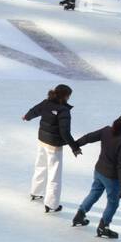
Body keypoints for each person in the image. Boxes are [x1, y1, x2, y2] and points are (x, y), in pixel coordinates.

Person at [71, 113, 121, 239]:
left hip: (99, 171)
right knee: (113, 202)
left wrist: (75, 145)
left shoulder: (106, 131)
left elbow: (89, 137)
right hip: (112, 178)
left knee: (94, 193)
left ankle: (80, 215)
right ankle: (103, 227)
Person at [22, 84, 81, 213]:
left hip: (42, 140)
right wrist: (74, 147)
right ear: (65, 96)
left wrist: (27, 117)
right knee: (54, 175)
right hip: (54, 146)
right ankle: (52, 204)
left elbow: (34, 110)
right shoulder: (63, 110)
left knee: (40, 166)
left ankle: (36, 191)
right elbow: (65, 132)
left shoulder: (46, 102)